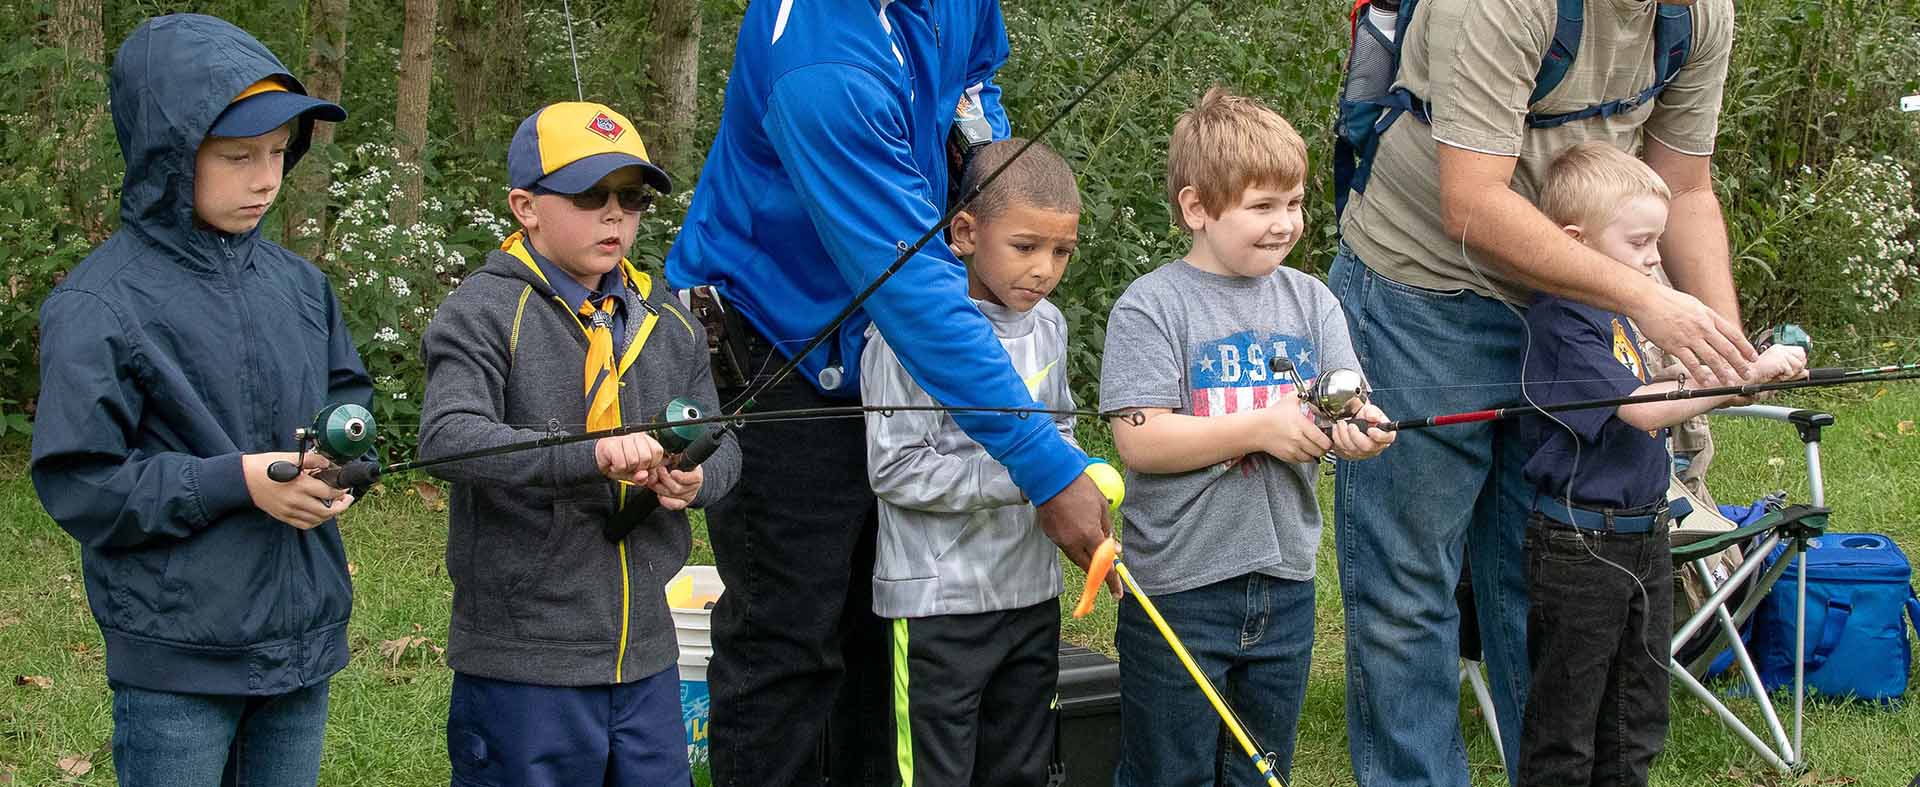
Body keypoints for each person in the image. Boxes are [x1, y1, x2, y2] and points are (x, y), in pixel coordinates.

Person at [664, 3, 1113, 783]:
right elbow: (911, 287)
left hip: (880, 338)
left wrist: (982, 174)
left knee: (887, 634)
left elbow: (976, 85)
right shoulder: (822, 66)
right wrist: (1047, 467)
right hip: (778, 343)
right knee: (792, 639)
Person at [1327, 0, 1755, 780]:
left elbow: (1685, 188)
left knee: (1550, 575)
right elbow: (1473, 203)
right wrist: (1649, 300)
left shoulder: (1699, 15)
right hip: (1426, 284)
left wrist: (1725, 345)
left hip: (1576, 306)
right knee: (1408, 593)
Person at [29, 13, 365, 785]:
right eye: (238, 155)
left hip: (300, 641)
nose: (265, 178)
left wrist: (346, 462)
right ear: (167, 155)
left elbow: (350, 406)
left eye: (280, 153)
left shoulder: (301, 287)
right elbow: (81, 482)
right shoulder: (99, 304)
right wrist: (237, 480)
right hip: (178, 656)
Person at [417, 101, 740, 786]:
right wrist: (589, 451)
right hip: (525, 661)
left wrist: (694, 479)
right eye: (590, 195)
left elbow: (722, 439)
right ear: (525, 206)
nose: (615, 215)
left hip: (646, 658)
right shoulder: (482, 311)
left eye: (631, 198)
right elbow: (448, 438)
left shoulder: (668, 320)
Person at [1099, 87, 1396, 786]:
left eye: (1293, 203)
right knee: (1167, 772)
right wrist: (1262, 427)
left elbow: (1344, 401)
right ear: (1197, 208)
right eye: (1262, 206)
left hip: (1285, 584)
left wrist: (1357, 429)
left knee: (1261, 769)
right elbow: (1142, 441)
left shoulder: (1312, 300)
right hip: (1178, 588)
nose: (1284, 223)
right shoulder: (1152, 306)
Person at [1516, 141, 1805, 785]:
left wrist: (1723, 371)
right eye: (1641, 244)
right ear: (1574, 241)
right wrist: (1744, 378)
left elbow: (1657, 385)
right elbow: (1643, 411)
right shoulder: (1563, 322)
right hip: (1580, 547)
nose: (1654, 261)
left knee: (1636, 716)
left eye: (1658, 242)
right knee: (1567, 730)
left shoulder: (1614, 316)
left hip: (1643, 535)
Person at [862, 138, 1084, 786]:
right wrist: (1026, 479)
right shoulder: (904, 334)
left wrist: (1074, 483)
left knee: (1020, 768)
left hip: (1031, 596)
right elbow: (895, 467)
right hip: (938, 608)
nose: (1043, 269)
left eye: (1061, 252)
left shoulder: (1051, 326)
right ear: (965, 232)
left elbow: (1061, 429)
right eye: (1026, 246)